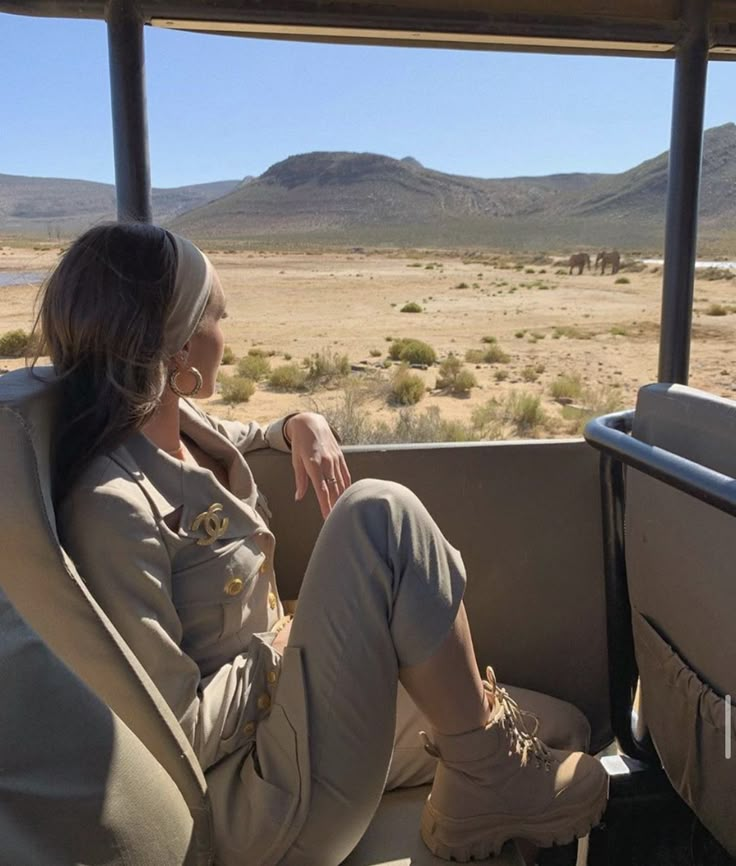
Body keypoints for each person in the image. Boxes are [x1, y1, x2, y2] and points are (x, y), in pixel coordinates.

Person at [40, 222, 608, 866]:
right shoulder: (112, 509)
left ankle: (481, 784)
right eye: (217, 317)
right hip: (259, 795)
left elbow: (242, 435)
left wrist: (296, 424)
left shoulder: (180, 427)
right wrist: (282, 646)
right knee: (377, 513)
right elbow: (175, 737)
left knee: (566, 727)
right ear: (177, 353)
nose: (228, 336)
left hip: (296, 717)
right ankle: (487, 780)